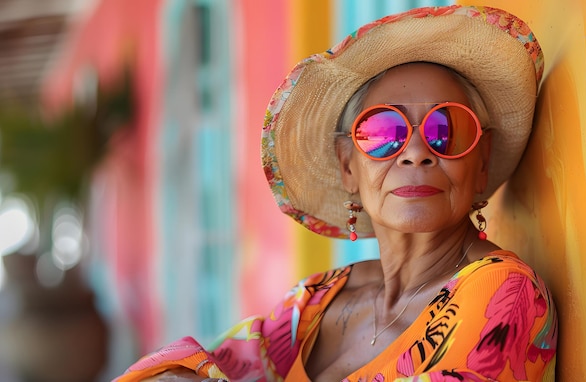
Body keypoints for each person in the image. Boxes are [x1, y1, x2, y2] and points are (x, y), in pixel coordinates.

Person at [115, 5, 557, 381]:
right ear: (348, 167)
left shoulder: (504, 293)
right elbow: (203, 364)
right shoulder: (316, 300)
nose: (417, 153)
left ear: (480, 164)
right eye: (385, 132)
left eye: (448, 128)